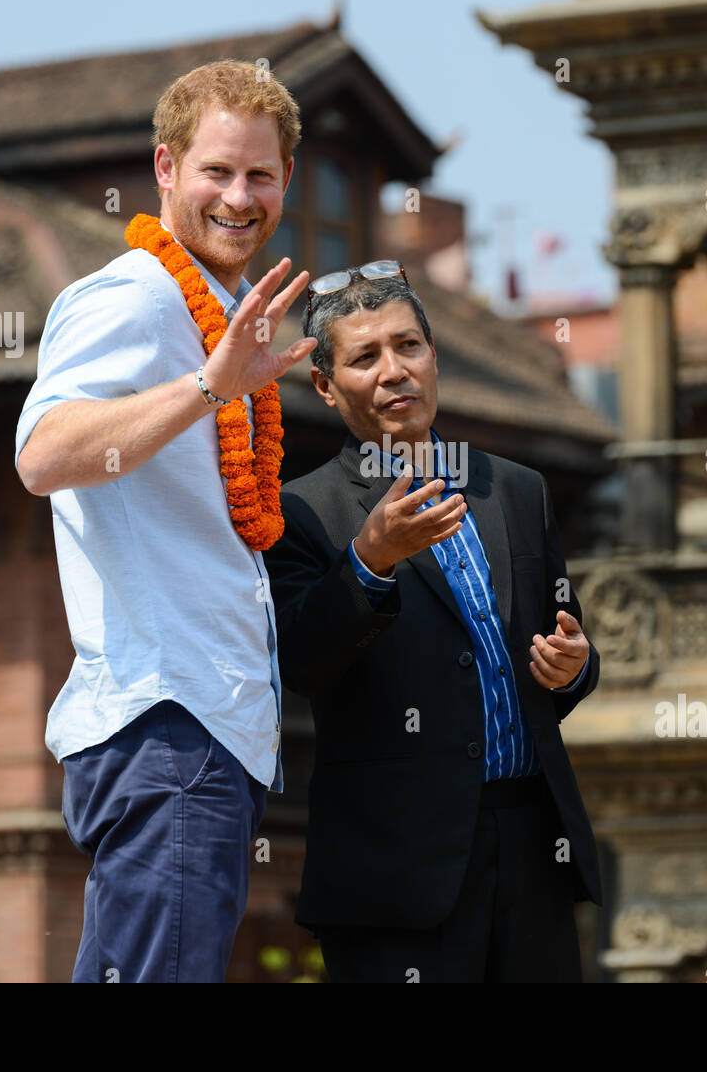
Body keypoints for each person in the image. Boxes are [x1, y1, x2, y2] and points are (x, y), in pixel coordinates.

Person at [13, 60, 315, 982]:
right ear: (165, 171)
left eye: (260, 176)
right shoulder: (139, 294)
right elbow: (42, 453)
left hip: (203, 734)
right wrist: (206, 388)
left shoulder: (231, 315)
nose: (238, 196)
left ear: (286, 184)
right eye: (216, 171)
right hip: (167, 723)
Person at [263, 264, 602, 982]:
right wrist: (368, 562)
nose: (394, 371)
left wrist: (577, 665)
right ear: (326, 385)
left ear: (434, 354)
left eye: (408, 345)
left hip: (533, 845)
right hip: (396, 867)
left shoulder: (516, 490)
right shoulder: (301, 512)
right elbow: (299, 663)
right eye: (364, 357)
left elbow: (565, 646)